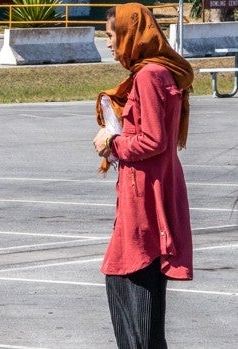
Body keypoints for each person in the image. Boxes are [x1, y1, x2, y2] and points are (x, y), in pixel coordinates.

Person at [92, 3, 194, 348]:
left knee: (136, 280)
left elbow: (153, 139)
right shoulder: (156, 72)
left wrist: (112, 141)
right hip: (146, 190)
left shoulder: (150, 75)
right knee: (124, 281)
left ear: (129, 33)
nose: (108, 43)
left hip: (146, 198)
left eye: (110, 35)